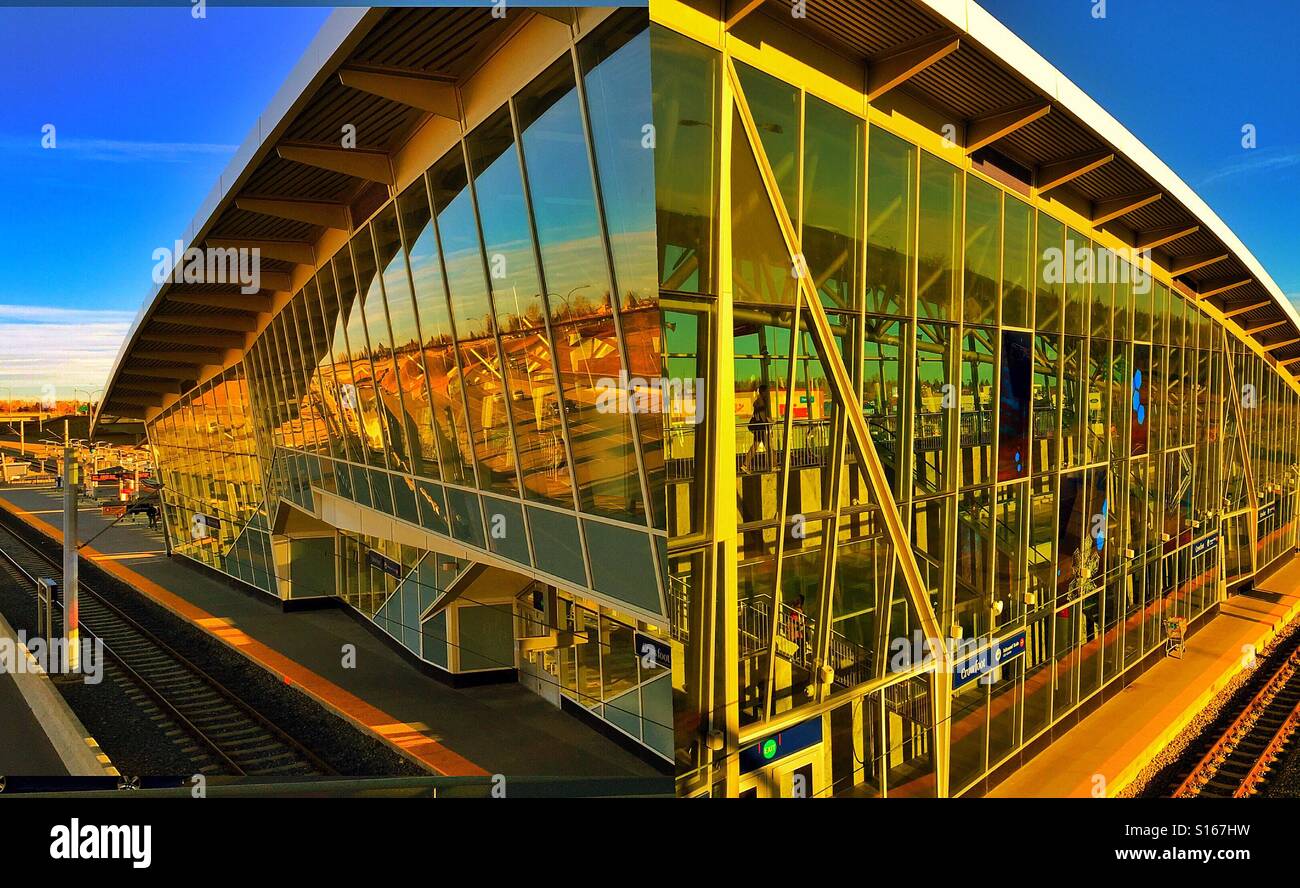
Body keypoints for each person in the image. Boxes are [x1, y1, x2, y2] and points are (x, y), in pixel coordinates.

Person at [742, 386, 772, 473]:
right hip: (762, 428)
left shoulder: (758, 402)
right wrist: (769, 422)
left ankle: (745, 464)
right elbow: (762, 417)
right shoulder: (761, 402)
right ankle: (773, 466)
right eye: (766, 392)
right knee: (769, 447)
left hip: (759, 428)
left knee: (755, 446)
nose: (767, 394)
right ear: (763, 392)